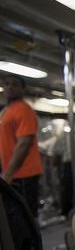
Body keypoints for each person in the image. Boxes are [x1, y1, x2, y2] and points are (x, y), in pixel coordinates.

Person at [0, 74, 44, 218]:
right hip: (12, 173)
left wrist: (8, 173)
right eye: (6, 84)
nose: (9, 87)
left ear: (23, 89)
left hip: (24, 174)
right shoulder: (7, 111)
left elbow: (24, 143)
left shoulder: (23, 110)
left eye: (14, 84)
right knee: (14, 217)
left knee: (26, 217)